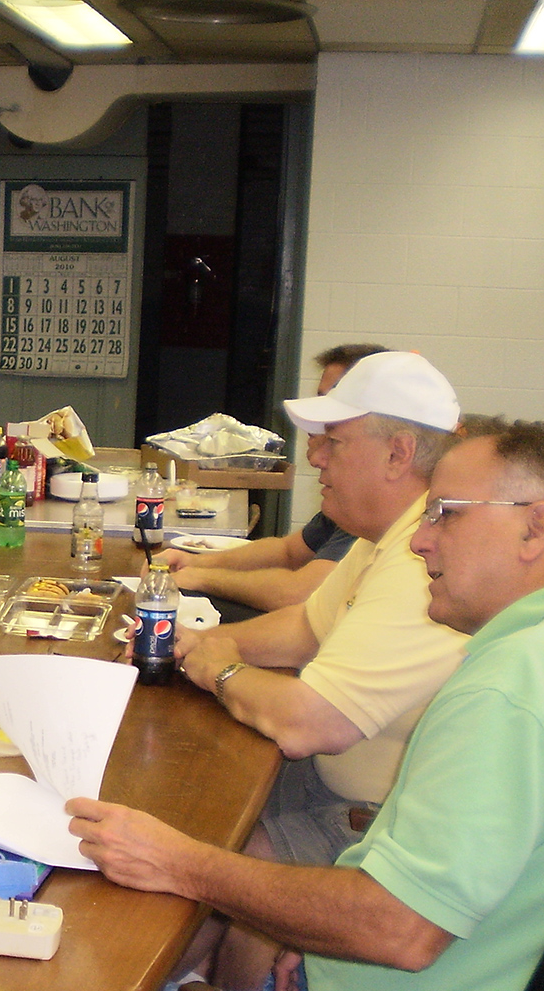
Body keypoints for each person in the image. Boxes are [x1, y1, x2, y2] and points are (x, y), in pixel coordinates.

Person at [55, 420, 544, 991]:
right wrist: (324, 943)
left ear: (535, 526)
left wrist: (184, 864)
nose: (421, 542)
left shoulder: (513, 686)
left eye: (445, 513)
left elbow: (399, 928)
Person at [176, 352, 470, 874]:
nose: (316, 458)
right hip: (328, 780)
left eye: (334, 442)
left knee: (193, 852)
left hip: (371, 823)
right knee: (187, 793)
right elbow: (306, 625)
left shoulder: (423, 560)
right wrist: (194, 645)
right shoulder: (387, 533)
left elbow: (310, 724)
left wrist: (220, 669)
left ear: (398, 454)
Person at [156, 344, 387, 614]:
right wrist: (193, 563)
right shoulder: (352, 498)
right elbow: (288, 552)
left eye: (331, 412)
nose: (315, 458)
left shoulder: (377, 508)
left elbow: (297, 594)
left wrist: (201, 578)